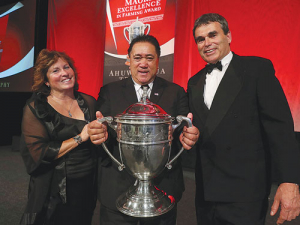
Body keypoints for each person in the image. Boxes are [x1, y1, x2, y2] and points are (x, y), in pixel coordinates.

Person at [187, 13, 300, 225]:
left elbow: (280, 129)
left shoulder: (256, 69)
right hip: (205, 193)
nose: (207, 43)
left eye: (213, 35)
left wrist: (290, 181)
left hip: (245, 194)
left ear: (228, 36)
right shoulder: (194, 82)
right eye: (200, 39)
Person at [88, 35, 199, 225]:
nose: (143, 64)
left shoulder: (176, 92)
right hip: (117, 188)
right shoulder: (109, 92)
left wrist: (188, 136)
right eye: (137, 57)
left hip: (163, 190)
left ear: (158, 61)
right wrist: (99, 134)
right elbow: (102, 128)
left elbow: (181, 130)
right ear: (128, 60)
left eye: (149, 58)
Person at [19, 49, 106, 224]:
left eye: (66, 67)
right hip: (54, 191)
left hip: (87, 184)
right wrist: (80, 137)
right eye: (55, 70)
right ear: (46, 81)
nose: (64, 73)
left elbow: (98, 141)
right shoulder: (36, 107)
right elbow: (39, 153)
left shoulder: (88, 102)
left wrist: (102, 133)